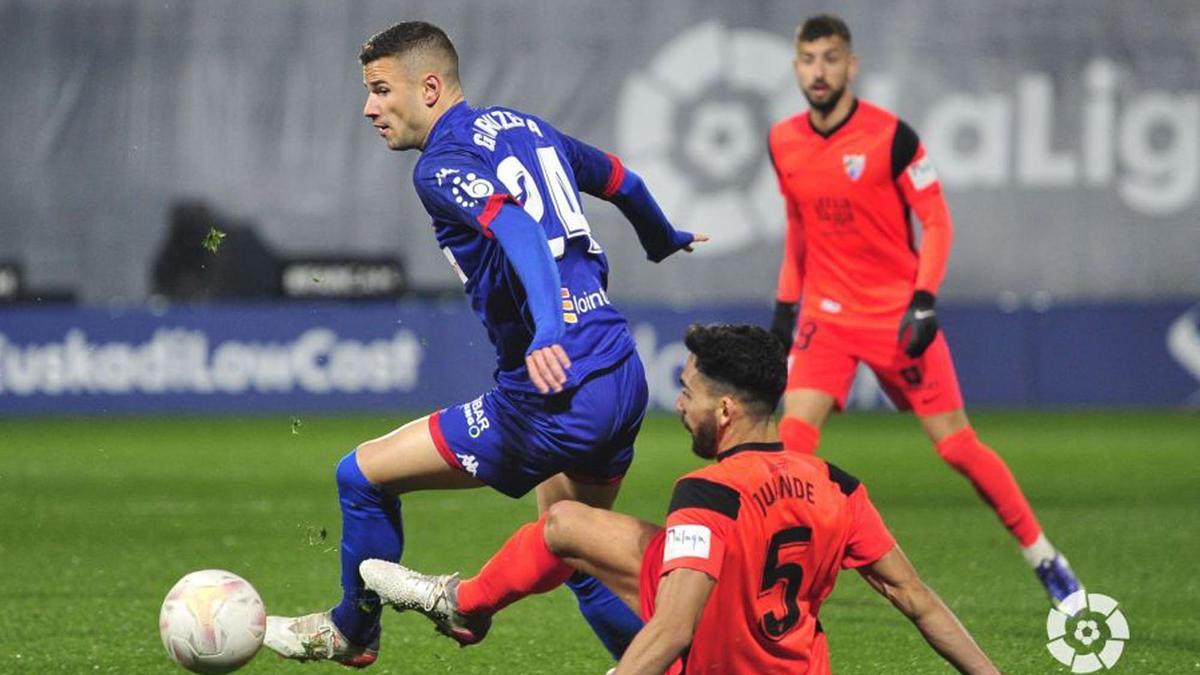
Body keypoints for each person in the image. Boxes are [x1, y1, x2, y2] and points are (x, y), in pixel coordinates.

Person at [264, 21, 706, 666]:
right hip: (619, 371)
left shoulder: (441, 165)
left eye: (382, 90)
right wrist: (660, 236)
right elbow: (622, 180)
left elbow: (522, 231)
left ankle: (352, 631)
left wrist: (549, 330)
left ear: (432, 87)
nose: (368, 108)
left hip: (553, 392)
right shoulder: (523, 127)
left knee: (359, 475)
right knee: (574, 549)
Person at [360, 324, 999, 674]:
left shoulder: (706, 494)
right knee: (566, 524)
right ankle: (465, 603)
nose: (679, 404)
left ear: (724, 410)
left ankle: (467, 605)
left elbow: (671, 627)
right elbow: (915, 599)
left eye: (687, 392)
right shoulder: (837, 484)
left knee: (656, 591)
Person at [765, 14, 1081, 609]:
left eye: (831, 58)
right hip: (827, 317)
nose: (819, 71)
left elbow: (936, 220)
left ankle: (1044, 555)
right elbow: (798, 229)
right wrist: (785, 312)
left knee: (957, 447)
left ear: (851, 65)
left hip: (894, 315)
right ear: (795, 66)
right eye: (808, 59)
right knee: (792, 441)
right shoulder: (783, 140)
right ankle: (792, 576)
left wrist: (924, 299)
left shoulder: (893, 137)